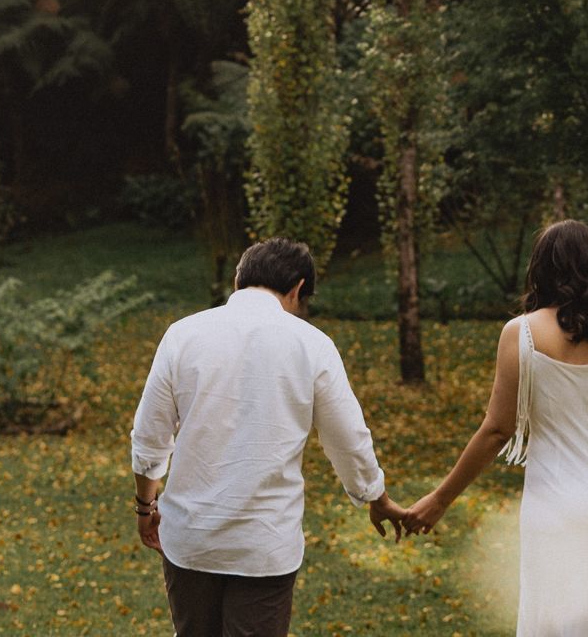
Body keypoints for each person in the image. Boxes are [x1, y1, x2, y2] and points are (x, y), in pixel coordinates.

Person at [401, 218, 588, 635]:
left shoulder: (520, 333)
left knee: (549, 620)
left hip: (554, 503)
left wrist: (440, 499)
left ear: (540, 267)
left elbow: (497, 430)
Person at [129, 237, 412, 637]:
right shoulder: (313, 345)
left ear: (238, 280)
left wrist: (145, 507)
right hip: (264, 543)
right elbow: (347, 439)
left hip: (192, 537)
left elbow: (149, 437)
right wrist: (375, 497)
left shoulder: (182, 335)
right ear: (298, 289)